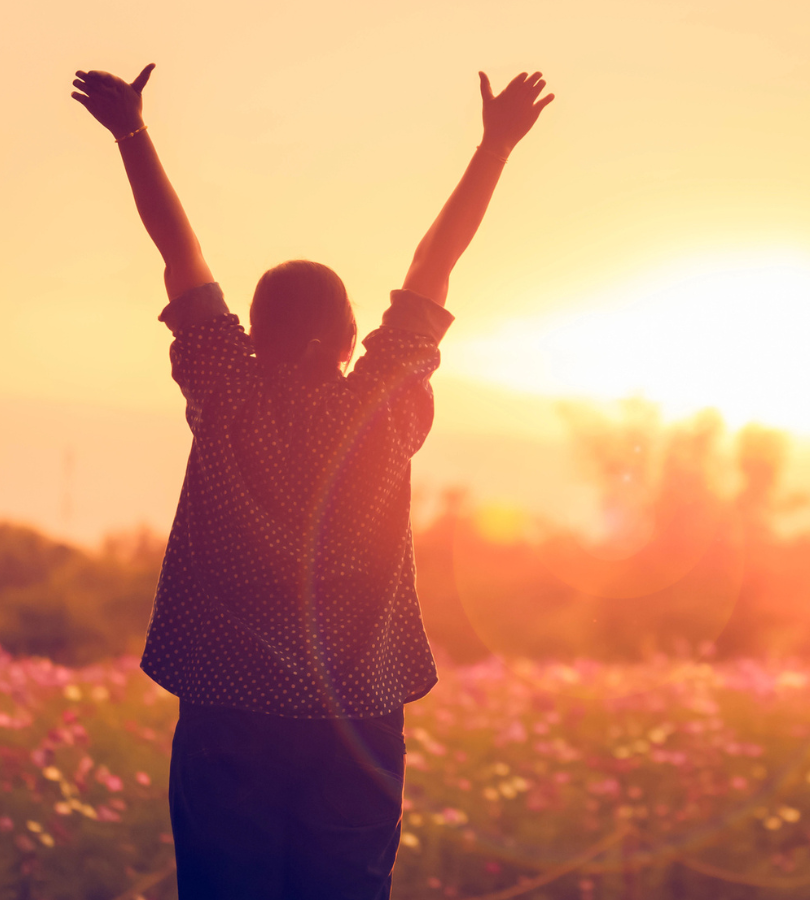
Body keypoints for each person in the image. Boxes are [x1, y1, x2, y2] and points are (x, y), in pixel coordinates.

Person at [71, 62, 553, 900]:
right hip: (356, 714)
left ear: (250, 331)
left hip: (227, 709)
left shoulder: (223, 385)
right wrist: (495, 148)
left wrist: (132, 135)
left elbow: (177, 254)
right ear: (351, 335)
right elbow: (434, 264)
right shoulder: (383, 399)